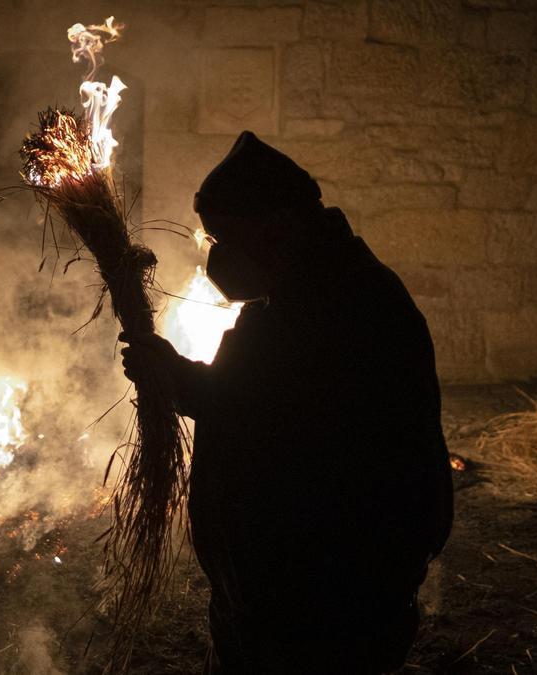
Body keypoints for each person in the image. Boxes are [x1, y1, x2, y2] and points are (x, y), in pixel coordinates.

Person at [120, 131, 453, 673]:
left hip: (327, 599)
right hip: (276, 596)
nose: (216, 256)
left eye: (225, 237)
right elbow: (261, 395)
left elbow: (280, 418)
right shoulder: (294, 294)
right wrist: (175, 377)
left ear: (276, 227)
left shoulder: (351, 306)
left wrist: (177, 379)